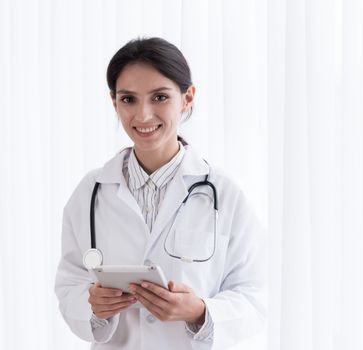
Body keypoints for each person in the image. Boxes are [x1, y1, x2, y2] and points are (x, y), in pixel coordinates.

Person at [55, 37, 266, 350]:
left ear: (187, 97)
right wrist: (93, 304)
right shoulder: (90, 192)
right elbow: (70, 282)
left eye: (160, 97)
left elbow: (254, 294)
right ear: (114, 102)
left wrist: (199, 311)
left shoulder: (224, 192)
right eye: (128, 99)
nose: (143, 115)